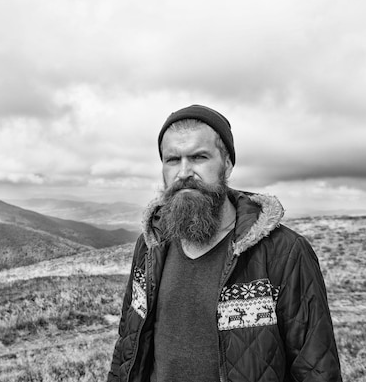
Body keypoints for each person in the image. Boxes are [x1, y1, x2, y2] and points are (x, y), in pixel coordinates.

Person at [107, 105, 341, 382]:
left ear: (227, 163)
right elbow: (127, 347)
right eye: (172, 160)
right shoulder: (150, 246)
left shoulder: (284, 253)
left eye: (199, 157)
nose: (184, 172)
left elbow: (316, 369)